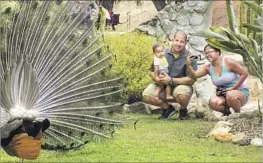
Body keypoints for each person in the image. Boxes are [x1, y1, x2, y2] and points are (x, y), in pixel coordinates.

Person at [142, 31, 197, 120]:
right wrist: (157, 79)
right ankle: (167, 109)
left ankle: (183, 110)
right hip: (162, 86)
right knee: (147, 95)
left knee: (182, 94)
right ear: (172, 40)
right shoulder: (162, 53)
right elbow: (152, 71)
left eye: (182, 42)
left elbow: (191, 80)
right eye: (177, 40)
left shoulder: (190, 57)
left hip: (180, 86)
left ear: (186, 42)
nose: (178, 44)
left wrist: (171, 80)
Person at [186, 44, 250, 115]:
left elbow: (245, 73)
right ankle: (227, 113)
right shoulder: (208, 68)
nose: (207, 55)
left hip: (240, 93)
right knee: (213, 102)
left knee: (230, 95)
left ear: (218, 52)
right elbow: (194, 75)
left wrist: (233, 88)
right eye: (206, 53)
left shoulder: (228, 62)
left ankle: (237, 114)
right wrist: (189, 65)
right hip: (224, 96)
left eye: (209, 52)